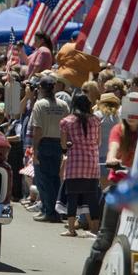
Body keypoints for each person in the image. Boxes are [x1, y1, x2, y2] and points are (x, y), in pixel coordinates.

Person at [76, 91, 138, 275]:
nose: (134, 118)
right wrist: (113, 159)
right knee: (104, 239)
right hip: (120, 188)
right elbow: (112, 150)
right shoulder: (119, 130)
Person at [59, 94, 101, 237]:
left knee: (72, 197)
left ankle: (71, 229)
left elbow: (64, 144)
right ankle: (95, 229)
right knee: (92, 197)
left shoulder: (66, 121)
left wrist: (70, 145)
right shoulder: (96, 120)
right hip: (92, 163)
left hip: (75, 163)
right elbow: (98, 142)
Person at [31, 75, 70, 222]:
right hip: (58, 144)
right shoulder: (63, 105)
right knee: (54, 178)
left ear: (41, 88)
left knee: (43, 179)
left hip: (44, 143)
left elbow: (38, 130)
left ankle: (49, 211)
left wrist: (35, 151)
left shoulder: (39, 105)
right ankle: (50, 209)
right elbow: (66, 129)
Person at [93, 92, 120, 187]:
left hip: (99, 154)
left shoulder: (97, 115)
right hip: (115, 155)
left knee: (102, 185)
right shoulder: (119, 116)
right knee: (112, 184)